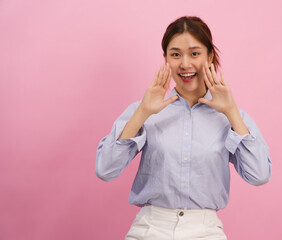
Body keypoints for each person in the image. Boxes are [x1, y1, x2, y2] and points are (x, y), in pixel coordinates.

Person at [95, 16, 272, 240]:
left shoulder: (231, 116)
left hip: (205, 230)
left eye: (194, 53)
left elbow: (259, 176)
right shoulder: (145, 110)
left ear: (210, 56)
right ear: (166, 59)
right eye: (176, 54)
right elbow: (105, 170)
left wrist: (231, 112)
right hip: (150, 228)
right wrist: (142, 113)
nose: (185, 64)